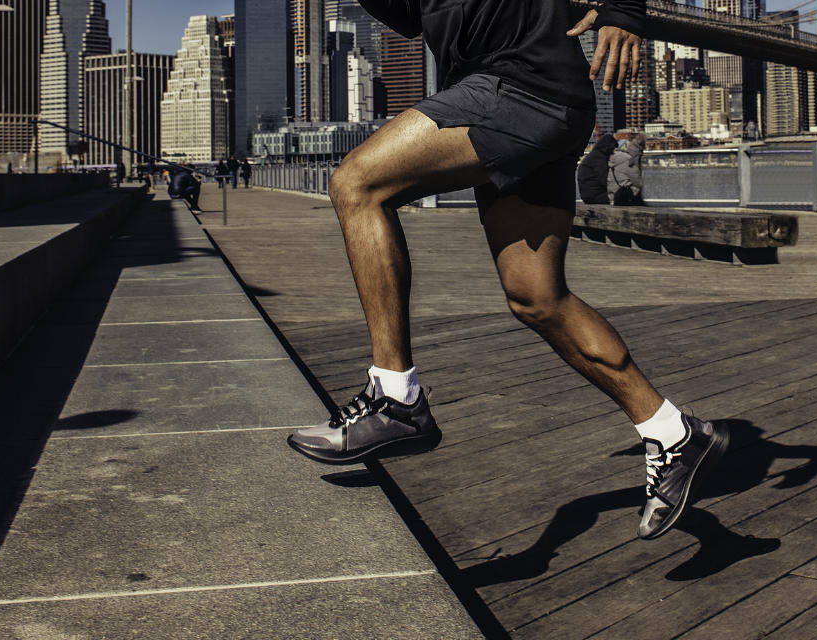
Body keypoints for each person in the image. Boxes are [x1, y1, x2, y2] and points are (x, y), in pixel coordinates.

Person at [283, 0, 728, 541]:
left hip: (519, 88)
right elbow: (408, 15)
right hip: (532, 102)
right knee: (536, 298)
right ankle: (672, 431)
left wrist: (625, 12)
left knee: (357, 184)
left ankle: (394, 396)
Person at [577, 134, 617, 205]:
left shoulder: (594, 155)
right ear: (608, 148)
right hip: (595, 195)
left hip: (587, 194)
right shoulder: (600, 159)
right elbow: (603, 179)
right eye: (612, 149)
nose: (613, 152)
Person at [611, 133, 645, 206]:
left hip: (614, 195)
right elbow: (638, 182)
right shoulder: (629, 160)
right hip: (625, 196)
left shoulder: (614, 160)